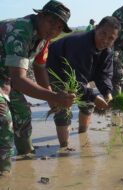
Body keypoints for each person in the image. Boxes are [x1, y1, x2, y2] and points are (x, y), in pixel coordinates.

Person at [0, 0, 75, 176]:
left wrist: (50, 98)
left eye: (59, 28)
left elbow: (39, 68)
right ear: (40, 16)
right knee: (3, 118)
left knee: (23, 114)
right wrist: (55, 96)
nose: (54, 30)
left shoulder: (43, 39)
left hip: (6, 75)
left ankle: (26, 160)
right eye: (51, 22)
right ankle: (4, 173)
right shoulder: (20, 31)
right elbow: (19, 80)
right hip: (11, 76)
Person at [46, 16, 121, 148]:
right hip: (57, 69)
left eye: (111, 38)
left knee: (88, 104)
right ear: (96, 28)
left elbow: (104, 75)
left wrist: (107, 93)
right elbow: (75, 79)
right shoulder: (80, 44)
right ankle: (64, 148)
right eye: (103, 33)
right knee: (63, 108)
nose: (105, 40)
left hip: (81, 72)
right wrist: (94, 96)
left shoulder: (108, 50)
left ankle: (83, 136)